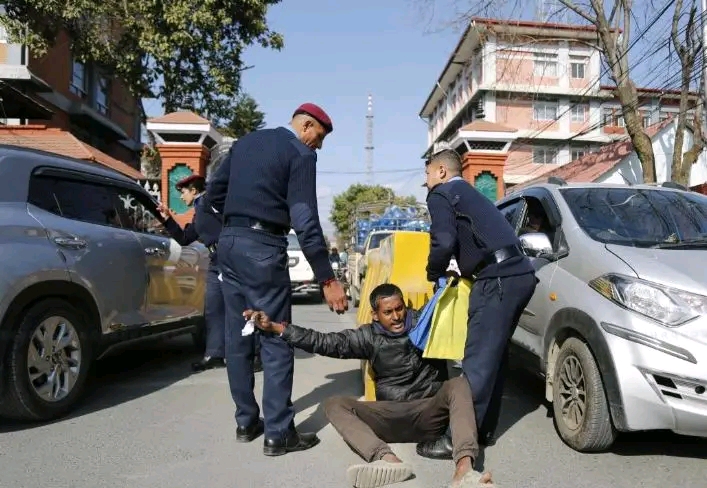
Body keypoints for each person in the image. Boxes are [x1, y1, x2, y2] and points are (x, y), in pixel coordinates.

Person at [243, 283, 494, 488]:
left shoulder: (424, 322)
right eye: (388, 312)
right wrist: (277, 328)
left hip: (431, 414)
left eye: (400, 309)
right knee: (334, 404)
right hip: (391, 417)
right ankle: (388, 461)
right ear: (375, 315)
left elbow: (460, 316)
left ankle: (464, 472)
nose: (397, 317)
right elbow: (322, 342)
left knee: (459, 384)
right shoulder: (367, 336)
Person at [206, 102, 348, 456]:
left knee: (237, 336)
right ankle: (279, 433)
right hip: (263, 248)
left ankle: (246, 421)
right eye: (320, 136)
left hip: (229, 244)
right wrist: (327, 279)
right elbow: (304, 217)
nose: (319, 145)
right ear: (306, 125)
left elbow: (213, 195)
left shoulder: (246, 143)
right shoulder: (299, 152)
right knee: (275, 336)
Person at [417, 149, 537, 459]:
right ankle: (480, 429)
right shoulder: (468, 194)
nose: (426, 182)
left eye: (427, 174)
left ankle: (457, 440)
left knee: (478, 363)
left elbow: (442, 241)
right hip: (519, 274)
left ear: (442, 171)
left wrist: (434, 272)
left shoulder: (441, 193)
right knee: (492, 359)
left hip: (495, 278)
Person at [157, 174, 263, 373]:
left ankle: (253, 354)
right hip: (215, 262)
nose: (181, 197)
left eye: (183, 192)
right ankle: (215, 353)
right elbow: (185, 238)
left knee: (239, 308)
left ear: (194, 190)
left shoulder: (210, 202)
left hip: (231, 260)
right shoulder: (198, 212)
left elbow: (237, 222)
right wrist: (168, 219)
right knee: (213, 309)